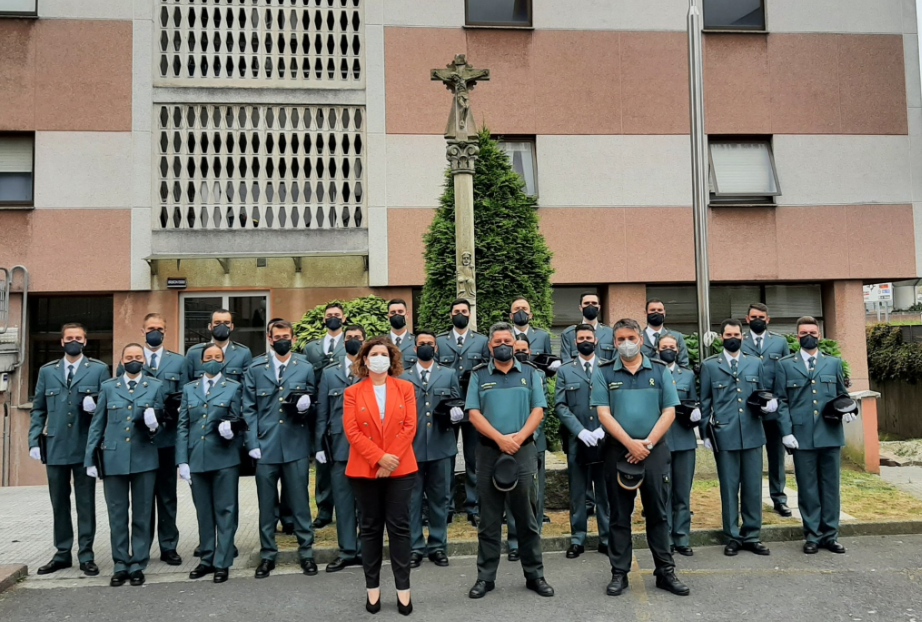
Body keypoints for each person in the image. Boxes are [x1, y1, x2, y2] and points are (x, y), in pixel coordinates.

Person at [591, 318, 689, 597]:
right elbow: (603, 414)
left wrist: (647, 444)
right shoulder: (604, 372)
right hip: (618, 451)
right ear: (614, 342)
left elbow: (669, 411)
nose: (626, 344)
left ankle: (665, 571)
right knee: (619, 515)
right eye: (621, 339)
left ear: (641, 340)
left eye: (631, 338)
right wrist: (630, 444)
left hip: (654, 452)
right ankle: (619, 573)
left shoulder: (659, 370)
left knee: (658, 513)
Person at [465, 322, 554, 600]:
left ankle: (535, 575)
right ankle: (485, 577)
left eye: (507, 341)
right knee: (489, 519)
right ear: (489, 346)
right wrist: (500, 439)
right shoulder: (479, 375)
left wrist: (518, 439)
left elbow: (538, 410)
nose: (503, 345)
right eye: (498, 342)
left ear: (515, 344)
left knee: (527, 517)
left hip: (522, 451)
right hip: (489, 452)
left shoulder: (530, 373)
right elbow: (473, 413)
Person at [343, 337, 418, 616]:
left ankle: (403, 591)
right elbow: (352, 431)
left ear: (391, 359)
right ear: (364, 359)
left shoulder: (405, 388)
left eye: (383, 354)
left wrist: (390, 460)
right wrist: (378, 458)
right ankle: (372, 590)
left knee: (399, 528)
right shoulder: (352, 392)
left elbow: (409, 426)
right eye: (373, 354)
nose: (378, 358)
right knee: (371, 529)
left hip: (400, 467)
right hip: (365, 469)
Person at [28, 323, 109, 577]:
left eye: (79, 338)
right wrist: (34, 440)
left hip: (85, 446)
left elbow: (106, 408)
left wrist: (94, 409)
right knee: (59, 503)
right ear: (62, 342)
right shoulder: (47, 371)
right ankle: (62, 553)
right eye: (70, 338)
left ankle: (86, 555)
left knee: (85, 503)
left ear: (85, 341)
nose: (74, 341)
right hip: (56, 446)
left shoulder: (98, 369)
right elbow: (39, 408)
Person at [84, 343, 166, 587]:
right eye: (129, 357)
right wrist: (90, 458)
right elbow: (97, 424)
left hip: (144, 457)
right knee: (117, 515)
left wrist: (154, 426)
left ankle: (138, 563)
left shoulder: (155, 386)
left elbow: (162, 424)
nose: (133, 360)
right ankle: (120, 564)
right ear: (121, 361)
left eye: (138, 356)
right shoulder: (109, 387)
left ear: (144, 360)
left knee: (142, 513)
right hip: (113, 458)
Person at [243, 320, 318, 579]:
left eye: (286, 336)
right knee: (267, 505)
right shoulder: (255, 368)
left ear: (293, 339)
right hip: (265, 445)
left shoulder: (304, 367)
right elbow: (248, 409)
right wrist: (252, 443)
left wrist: (306, 407)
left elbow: (313, 405)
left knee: (300, 502)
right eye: (277, 337)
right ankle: (267, 554)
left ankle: (306, 551)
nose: (282, 340)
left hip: (295, 444)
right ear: (269, 339)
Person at [774, 316, 854, 554]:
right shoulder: (785, 365)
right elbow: (781, 401)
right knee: (807, 487)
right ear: (797, 336)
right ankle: (812, 534)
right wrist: (786, 432)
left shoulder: (833, 363)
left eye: (812, 332)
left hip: (829, 433)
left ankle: (830, 535)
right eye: (803, 333)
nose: (808, 336)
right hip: (802, 435)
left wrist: (849, 410)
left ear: (819, 335)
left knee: (830, 487)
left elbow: (841, 394)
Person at [116, 313, 189, 567]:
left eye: (159, 328)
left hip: (167, 438)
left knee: (167, 496)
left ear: (165, 331)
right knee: (142, 497)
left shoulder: (178, 361)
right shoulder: (131, 359)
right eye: (150, 328)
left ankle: (168, 546)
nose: (155, 332)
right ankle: (141, 547)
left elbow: (184, 398)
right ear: (142, 331)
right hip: (139, 440)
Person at [699, 319, 776, 557]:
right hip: (725, 435)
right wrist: (705, 433)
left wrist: (768, 406)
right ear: (721, 337)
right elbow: (705, 402)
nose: (733, 338)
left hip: (752, 432)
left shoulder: (754, 363)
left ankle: (752, 535)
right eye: (728, 335)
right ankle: (732, 536)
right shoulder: (710, 365)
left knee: (753, 488)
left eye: (736, 334)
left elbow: (762, 394)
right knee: (729, 487)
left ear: (742, 336)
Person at [176, 344, 243, 583]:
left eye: (217, 356)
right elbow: (183, 425)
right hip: (197, 458)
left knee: (225, 510)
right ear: (201, 361)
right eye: (208, 357)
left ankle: (222, 561)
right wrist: (181, 460)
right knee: (203, 511)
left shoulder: (233, 387)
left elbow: (240, 420)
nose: (213, 360)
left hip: (224, 458)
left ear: (223, 361)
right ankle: (206, 559)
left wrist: (232, 432)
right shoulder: (189, 389)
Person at [401, 330, 462, 568]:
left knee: (440, 499)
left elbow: (457, 402)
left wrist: (456, 413)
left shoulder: (448, 374)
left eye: (430, 343)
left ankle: (438, 546)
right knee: (412, 500)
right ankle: (415, 547)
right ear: (415, 349)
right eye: (422, 343)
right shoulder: (403, 377)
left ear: (436, 348)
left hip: (441, 445)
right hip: (411, 447)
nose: (426, 346)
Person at [554, 323, 610, 559]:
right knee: (578, 493)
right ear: (575, 342)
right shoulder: (565, 370)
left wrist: (603, 429)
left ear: (595, 341)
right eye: (581, 338)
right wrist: (580, 431)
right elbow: (560, 405)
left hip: (604, 440)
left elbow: (615, 401)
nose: (585, 341)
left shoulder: (607, 368)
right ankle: (578, 539)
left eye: (589, 337)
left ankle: (607, 538)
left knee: (605, 493)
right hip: (578, 441)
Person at [315, 324, 365, 573]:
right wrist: (318, 446)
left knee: (366, 503)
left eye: (358, 337)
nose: (353, 340)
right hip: (339, 447)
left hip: (366, 448)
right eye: (349, 337)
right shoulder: (329, 373)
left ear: (365, 341)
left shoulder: (372, 371)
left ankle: (366, 550)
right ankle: (347, 551)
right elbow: (322, 413)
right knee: (343, 502)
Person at [436, 298, 490, 527]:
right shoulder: (440, 341)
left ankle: (473, 506)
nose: (460, 314)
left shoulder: (482, 340)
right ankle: (445, 507)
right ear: (451, 314)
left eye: (464, 311)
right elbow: (436, 373)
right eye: (456, 311)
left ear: (469, 314)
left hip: (472, 407)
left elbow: (486, 373)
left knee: (473, 458)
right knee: (445, 459)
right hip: (447, 409)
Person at [742, 303, 793, 517]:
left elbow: (787, 371)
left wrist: (780, 401)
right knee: (749, 458)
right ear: (747, 319)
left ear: (768, 319)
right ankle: (749, 500)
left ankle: (779, 499)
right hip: (750, 409)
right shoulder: (740, 341)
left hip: (774, 408)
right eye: (754, 316)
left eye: (761, 317)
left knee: (776, 456)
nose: (758, 320)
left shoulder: (780, 342)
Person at [505, 335, 550, 562]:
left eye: (524, 350)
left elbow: (541, 410)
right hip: (509, 443)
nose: (521, 353)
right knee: (512, 492)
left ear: (530, 352)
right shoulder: (505, 375)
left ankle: (534, 537)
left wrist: (529, 436)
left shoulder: (537, 374)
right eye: (517, 350)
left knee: (534, 493)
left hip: (533, 443)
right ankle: (514, 541)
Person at [302, 302, 347, 530]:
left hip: (344, 407)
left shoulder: (351, 343)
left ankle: (348, 509)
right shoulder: (312, 348)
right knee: (322, 462)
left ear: (344, 318)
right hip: (319, 409)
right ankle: (324, 509)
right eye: (329, 315)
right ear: (323, 319)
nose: (333, 318)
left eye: (337, 315)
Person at [657, 334, 699, 556]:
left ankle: (682, 537)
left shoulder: (688, 375)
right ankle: (665, 538)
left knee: (682, 492)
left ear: (678, 350)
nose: (668, 350)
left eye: (672, 347)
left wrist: (696, 414)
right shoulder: (653, 374)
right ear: (657, 350)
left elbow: (694, 402)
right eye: (664, 346)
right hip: (660, 440)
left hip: (684, 439)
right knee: (663, 493)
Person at [186, 308, 254, 384]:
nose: (222, 326)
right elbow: (187, 385)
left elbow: (246, 385)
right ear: (210, 326)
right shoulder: (194, 353)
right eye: (217, 323)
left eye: (226, 323)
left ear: (232, 327)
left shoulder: (243, 353)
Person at [559, 292, 614, 363]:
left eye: (594, 303)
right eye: (586, 303)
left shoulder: (611, 333)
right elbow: (565, 361)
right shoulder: (568, 334)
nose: (590, 306)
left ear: (599, 307)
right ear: (580, 308)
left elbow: (615, 360)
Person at [640, 299, 689, 368]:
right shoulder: (638, 338)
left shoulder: (677, 337)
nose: (656, 312)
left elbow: (683, 364)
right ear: (646, 313)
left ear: (664, 313)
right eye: (653, 310)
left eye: (659, 310)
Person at [388, 299, 417, 369]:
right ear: (388, 317)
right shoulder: (381, 342)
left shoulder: (416, 342)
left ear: (407, 315)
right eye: (393, 312)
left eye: (400, 312)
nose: (396, 315)